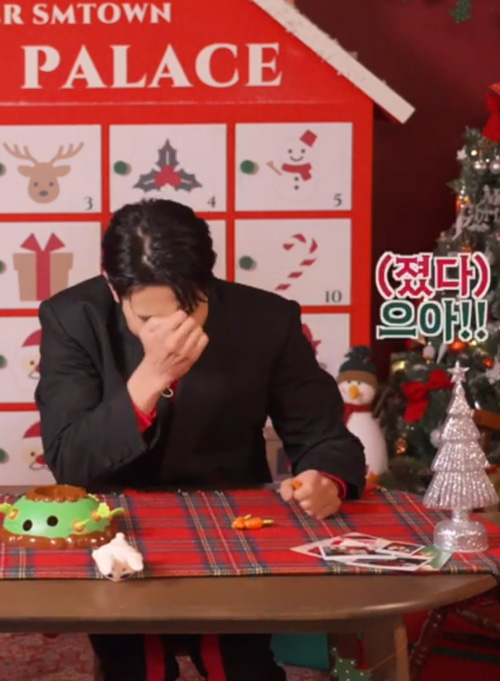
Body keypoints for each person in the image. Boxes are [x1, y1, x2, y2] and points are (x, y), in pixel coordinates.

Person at [36, 198, 366, 681]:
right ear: (112, 286)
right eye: (147, 319)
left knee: (240, 666)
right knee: (136, 668)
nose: (169, 332)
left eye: (185, 311)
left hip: (235, 515)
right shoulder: (73, 318)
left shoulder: (267, 318)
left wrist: (326, 477)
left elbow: (321, 432)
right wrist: (149, 378)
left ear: (205, 283)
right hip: (114, 519)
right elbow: (70, 460)